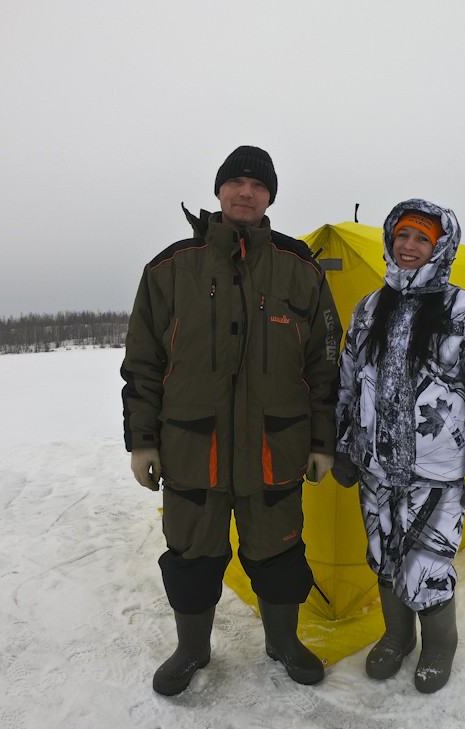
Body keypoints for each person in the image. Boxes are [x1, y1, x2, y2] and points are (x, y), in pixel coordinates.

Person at [121, 146, 342, 696]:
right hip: (194, 449)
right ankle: (192, 648)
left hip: (277, 446)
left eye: (257, 184)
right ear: (219, 191)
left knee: (280, 552)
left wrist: (322, 440)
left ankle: (282, 641)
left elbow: (325, 363)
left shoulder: (300, 268)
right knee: (192, 554)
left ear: (270, 197)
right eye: (236, 182)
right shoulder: (171, 268)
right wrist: (142, 441)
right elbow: (143, 363)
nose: (246, 192)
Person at [332, 199, 465, 694]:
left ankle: (439, 643)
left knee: (427, 564)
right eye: (402, 236)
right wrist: (346, 446)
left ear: (441, 248)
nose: (409, 247)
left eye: (422, 239)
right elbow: (349, 383)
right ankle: (396, 636)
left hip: (437, 472)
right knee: (383, 556)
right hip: (376, 468)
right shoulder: (369, 308)